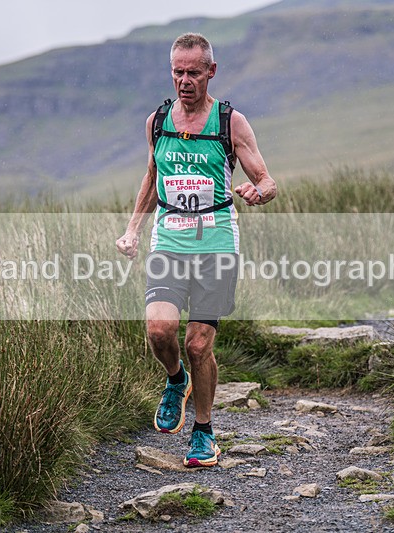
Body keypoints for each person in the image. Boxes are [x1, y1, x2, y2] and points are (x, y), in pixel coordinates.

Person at [115, 33, 276, 467]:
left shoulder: (230, 123)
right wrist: (133, 229)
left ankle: (204, 433)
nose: (184, 81)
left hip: (217, 243)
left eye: (193, 72)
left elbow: (267, 179)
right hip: (169, 239)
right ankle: (175, 380)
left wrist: (259, 191)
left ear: (211, 72)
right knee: (158, 332)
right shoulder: (158, 121)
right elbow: (152, 176)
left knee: (199, 344)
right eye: (177, 72)